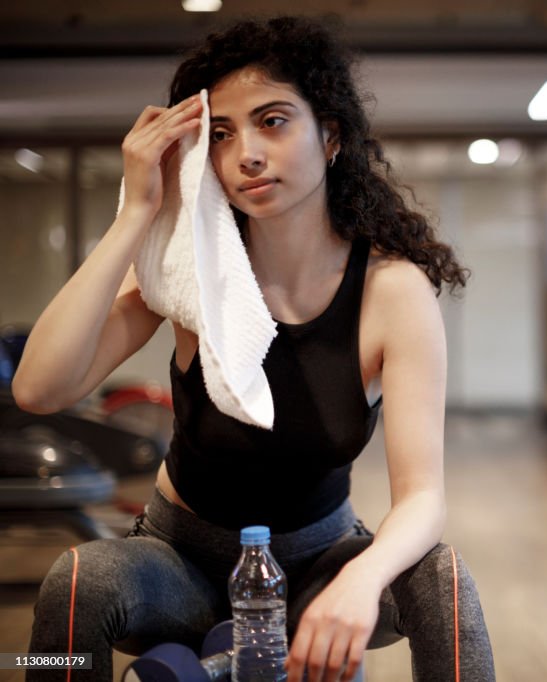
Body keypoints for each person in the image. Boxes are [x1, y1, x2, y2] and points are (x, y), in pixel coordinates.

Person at [14, 16, 495, 682]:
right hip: (178, 562)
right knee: (76, 583)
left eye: (273, 121)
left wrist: (362, 579)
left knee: (441, 577)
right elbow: (38, 389)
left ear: (330, 137)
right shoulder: (190, 271)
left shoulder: (392, 290)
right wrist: (135, 217)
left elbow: (422, 498)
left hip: (317, 565)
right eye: (221, 133)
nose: (246, 153)